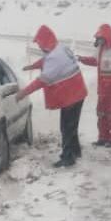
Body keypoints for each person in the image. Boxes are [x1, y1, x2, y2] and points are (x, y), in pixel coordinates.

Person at [18, 25, 88, 168]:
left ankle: (68, 158)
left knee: (66, 127)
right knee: (71, 125)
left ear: (45, 41)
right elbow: (45, 61)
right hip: (76, 93)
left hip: (71, 96)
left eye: (39, 43)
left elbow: (42, 80)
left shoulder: (55, 57)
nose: (39, 46)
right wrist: (32, 66)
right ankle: (75, 151)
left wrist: (22, 93)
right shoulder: (59, 49)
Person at [77, 23, 111, 148]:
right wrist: (81, 58)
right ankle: (103, 137)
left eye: (100, 38)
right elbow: (95, 61)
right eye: (97, 38)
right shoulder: (100, 49)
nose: (98, 41)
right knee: (101, 113)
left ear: (107, 37)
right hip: (103, 87)